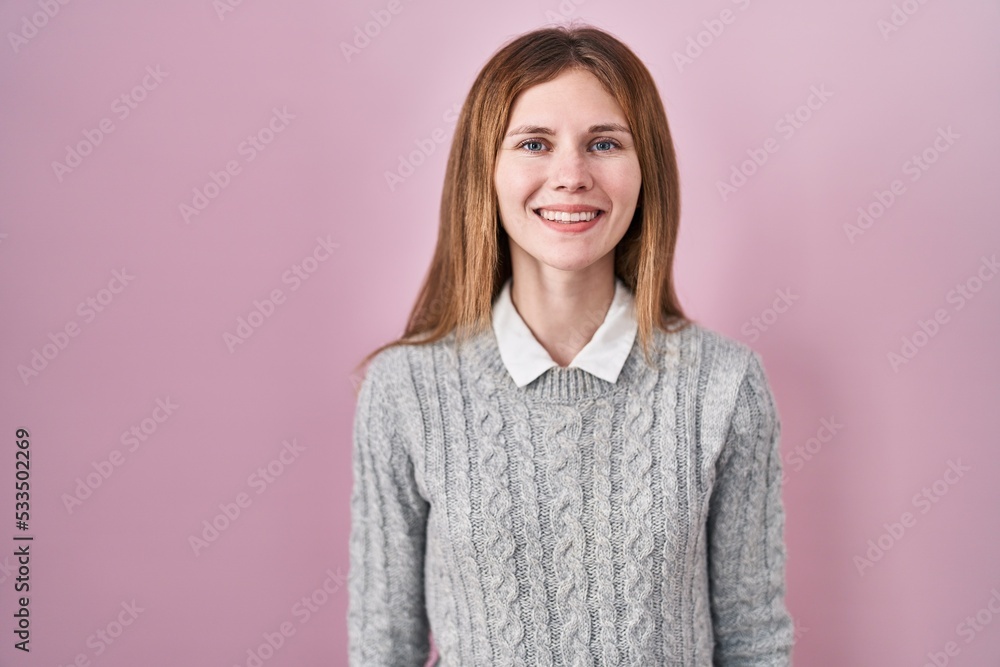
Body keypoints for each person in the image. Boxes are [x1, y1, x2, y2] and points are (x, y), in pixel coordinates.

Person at [347, 23, 794, 666]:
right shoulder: (404, 390)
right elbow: (381, 645)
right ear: (487, 170)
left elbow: (754, 641)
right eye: (534, 142)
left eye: (604, 143)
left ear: (647, 172)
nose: (570, 175)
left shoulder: (724, 385)